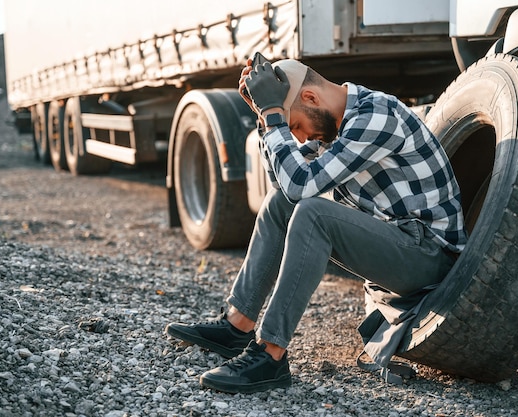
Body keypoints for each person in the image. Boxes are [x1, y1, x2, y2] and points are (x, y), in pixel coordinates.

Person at [166, 57, 468, 393]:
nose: (297, 135)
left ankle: (271, 355)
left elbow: (300, 186)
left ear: (310, 98)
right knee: (282, 205)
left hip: (429, 257)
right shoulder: (331, 122)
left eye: (294, 126)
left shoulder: (375, 115)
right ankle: (238, 325)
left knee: (314, 214)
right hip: (399, 244)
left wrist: (274, 117)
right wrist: (266, 120)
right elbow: (283, 187)